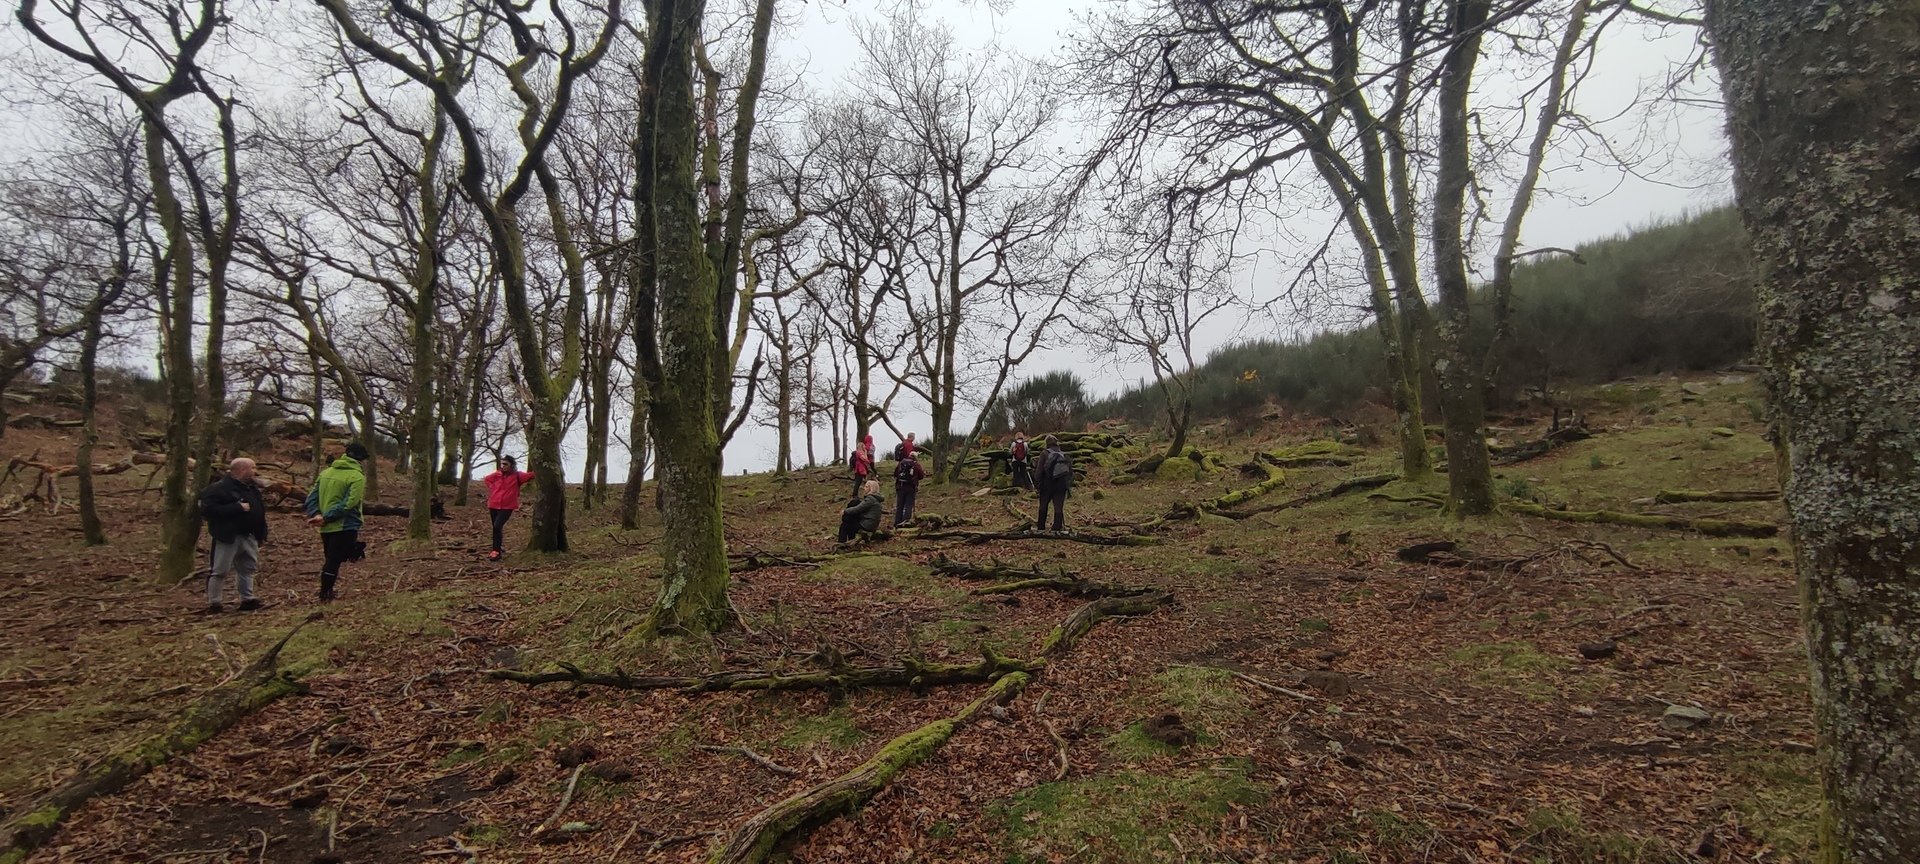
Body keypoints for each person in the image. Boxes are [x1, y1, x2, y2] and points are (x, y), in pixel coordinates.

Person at [199, 457, 269, 613]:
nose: (255, 471)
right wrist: (236, 508)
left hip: (249, 535)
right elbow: (208, 511)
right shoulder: (218, 489)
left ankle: (247, 599)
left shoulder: (251, 488)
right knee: (220, 570)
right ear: (243, 470)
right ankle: (214, 603)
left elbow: (260, 511)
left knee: (248, 568)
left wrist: (262, 533)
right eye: (253, 468)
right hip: (227, 537)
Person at [304, 442, 367, 603]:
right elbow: (349, 503)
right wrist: (326, 517)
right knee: (334, 560)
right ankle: (325, 594)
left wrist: (317, 514)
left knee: (331, 558)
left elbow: (311, 497)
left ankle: (327, 591)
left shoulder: (326, 473)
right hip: (345, 524)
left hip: (325, 526)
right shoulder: (357, 476)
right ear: (361, 459)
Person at [482, 455, 535, 561]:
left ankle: (496, 551)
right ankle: (497, 548)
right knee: (496, 528)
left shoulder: (518, 476)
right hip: (493, 504)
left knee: (497, 526)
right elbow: (487, 479)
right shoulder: (497, 474)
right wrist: (493, 488)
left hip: (507, 506)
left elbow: (531, 475)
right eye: (502, 464)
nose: (503, 466)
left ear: (512, 465)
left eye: (505, 464)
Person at [1035, 434, 1071, 532]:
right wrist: (1067, 484)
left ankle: (1041, 527)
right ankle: (1057, 528)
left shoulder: (1044, 453)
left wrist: (1037, 483)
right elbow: (1070, 472)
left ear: (1046, 443)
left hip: (1047, 484)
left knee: (1043, 505)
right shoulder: (1064, 454)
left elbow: (1039, 471)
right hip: (1061, 485)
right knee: (1058, 507)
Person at [893, 448, 926, 528]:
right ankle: (905, 523)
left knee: (899, 506)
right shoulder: (916, 465)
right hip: (911, 488)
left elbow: (896, 474)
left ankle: (897, 523)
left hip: (900, 487)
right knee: (908, 505)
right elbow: (921, 476)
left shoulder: (901, 463)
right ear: (916, 457)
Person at [848, 436, 874, 500]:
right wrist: (865, 453)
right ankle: (855, 495)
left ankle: (857, 494)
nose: (865, 447)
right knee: (858, 482)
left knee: (859, 482)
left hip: (860, 469)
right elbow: (865, 459)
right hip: (859, 469)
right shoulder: (859, 453)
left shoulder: (859, 452)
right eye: (864, 446)